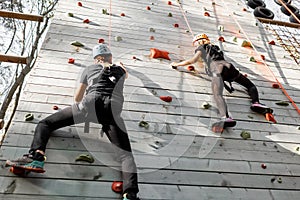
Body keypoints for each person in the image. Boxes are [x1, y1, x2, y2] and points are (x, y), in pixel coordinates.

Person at [12, 44, 140, 200]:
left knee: (45, 124)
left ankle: (36, 157)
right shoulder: (119, 71)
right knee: (126, 156)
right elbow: (125, 75)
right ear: (110, 57)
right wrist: (120, 66)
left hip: (89, 105)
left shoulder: (89, 69)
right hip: (112, 110)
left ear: (96, 59)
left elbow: (78, 98)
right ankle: (130, 194)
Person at [171, 33, 272, 127]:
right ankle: (256, 103)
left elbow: (193, 60)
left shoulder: (201, 47)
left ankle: (226, 117)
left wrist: (177, 64)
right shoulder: (216, 48)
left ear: (199, 42)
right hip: (229, 68)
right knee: (250, 85)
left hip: (217, 68)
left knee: (218, 95)